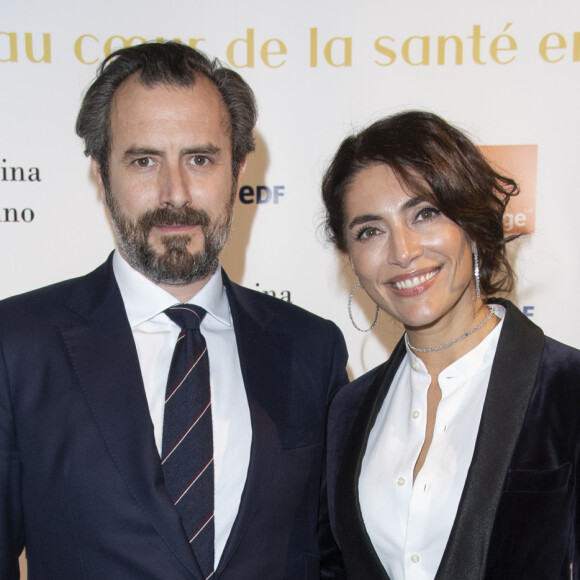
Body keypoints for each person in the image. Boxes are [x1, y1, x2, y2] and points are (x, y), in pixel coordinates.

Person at [0, 41, 348, 579]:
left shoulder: (312, 348)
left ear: (238, 169)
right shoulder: (18, 345)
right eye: (144, 160)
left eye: (200, 159)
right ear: (100, 172)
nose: (176, 194)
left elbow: (333, 558)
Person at [321, 110, 580, 579]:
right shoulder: (347, 411)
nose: (402, 252)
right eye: (370, 231)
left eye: (424, 214)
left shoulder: (568, 388)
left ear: (472, 223)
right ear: (349, 256)